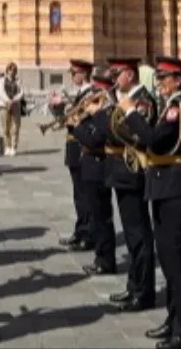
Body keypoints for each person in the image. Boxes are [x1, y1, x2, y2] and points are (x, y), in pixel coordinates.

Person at [131, 56, 181, 349]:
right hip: (164, 185)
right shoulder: (170, 105)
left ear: (177, 80)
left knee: (176, 262)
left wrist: (131, 113)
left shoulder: (178, 106)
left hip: (175, 185)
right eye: (158, 77)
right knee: (169, 261)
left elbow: (155, 139)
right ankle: (174, 320)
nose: (159, 83)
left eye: (163, 78)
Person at [104, 59, 158, 312]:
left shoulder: (142, 100)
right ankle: (134, 285)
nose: (113, 79)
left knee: (139, 234)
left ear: (129, 74)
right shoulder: (126, 99)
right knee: (131, 234)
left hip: (132, 171)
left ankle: (144, 292)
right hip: (121, 172)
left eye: (116, 74)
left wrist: (118, 111)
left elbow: (138, 135)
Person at [72, 67, 117, 277]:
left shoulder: (105, 112)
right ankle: (102, 256)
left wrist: (76, 127)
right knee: (97, 214)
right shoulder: (98, 111)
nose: (91, 94)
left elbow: (94, 139)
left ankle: (105, 260)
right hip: (90, 164)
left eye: (96, 90)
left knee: (101, 217)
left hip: (98, 165)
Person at [51, 59, 96, 252]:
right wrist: (57, 107)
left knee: (85, 194)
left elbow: (85, 120)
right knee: (78, 194)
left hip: (82, 146)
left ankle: (89, 234)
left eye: (74, 73)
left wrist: (69, 113)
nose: (71, 77)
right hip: (73, 146)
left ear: (84, 74)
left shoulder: (91, 94)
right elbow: (65, 119)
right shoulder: (78, 94)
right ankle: (81, 230)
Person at [0, 63, 25, 157]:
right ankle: (7, 147)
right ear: (7, 70)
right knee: (6, 127)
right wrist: (8, 101)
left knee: (15, 127)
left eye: (14, 70)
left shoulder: (18, 81)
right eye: (11, 70)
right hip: (4, 106)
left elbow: (21, 92)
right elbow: (0, 92)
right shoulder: (1, 80)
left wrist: (14, 100)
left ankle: (14, 147)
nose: (12, 72)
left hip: (15, 106)